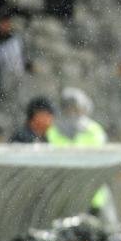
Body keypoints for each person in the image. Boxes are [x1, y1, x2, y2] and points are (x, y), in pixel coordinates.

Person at [46, 88, 115, 222]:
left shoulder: (94, 130)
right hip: (64, 197)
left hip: (92, 196)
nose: (73, 113)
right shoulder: (53, 131)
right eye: (69, 109)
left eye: (76, 109)